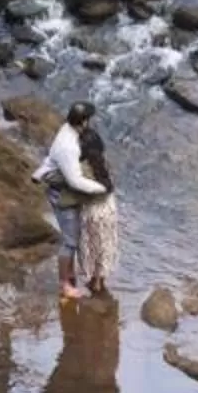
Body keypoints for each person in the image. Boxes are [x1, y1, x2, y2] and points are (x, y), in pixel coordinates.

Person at [34, 102, 106, 299]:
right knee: (70, 241)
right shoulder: (68, 147)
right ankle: (65, 285)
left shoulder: (68, 130)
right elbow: (75, 181)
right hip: (62, 194)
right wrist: (100, 189)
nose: (91, 122)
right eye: (89, 119)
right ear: (82, 122)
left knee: (74, 237)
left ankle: (71, 274)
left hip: (64, 187)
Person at [76, 125, 122, 300]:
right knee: (105, 244)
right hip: (108, 207)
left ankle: (92, 280)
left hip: (92, 210)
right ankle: (99, 280)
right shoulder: (103, 164)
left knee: (91, 245)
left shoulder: (80, 167)